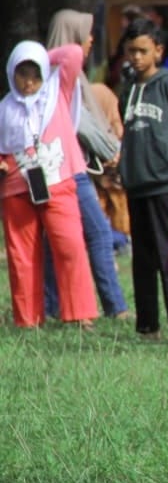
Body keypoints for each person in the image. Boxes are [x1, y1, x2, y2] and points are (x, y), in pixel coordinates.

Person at [0, 41, 98, 327]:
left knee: (70, 247)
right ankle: (28, 319)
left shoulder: (57, 93)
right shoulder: (4, 108)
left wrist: (42, 54)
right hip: (15, 189)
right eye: (22, 74)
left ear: (45, 73)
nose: (29, 82)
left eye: (35, 74)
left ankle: (79, 314)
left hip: (57, 182)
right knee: (22, 255)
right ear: (11, 74)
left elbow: (74, 54)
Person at [44, 9, 130, 320]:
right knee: (99, 233)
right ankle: (115, 307)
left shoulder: (58, 76)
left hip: (63, 167)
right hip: (68, 169)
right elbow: (78, 126)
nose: (90, 39)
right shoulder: (59, 76)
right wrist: (109, 149)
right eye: (85, 32)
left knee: (54, 241)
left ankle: (51, 307)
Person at [118, 18, 168, 343]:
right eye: (131, 51)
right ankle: (148, 326)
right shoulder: (129, 88)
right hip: (136, 184)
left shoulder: (167, 83)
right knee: (143, 258)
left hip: (165, 183)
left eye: (142, 50)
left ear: (158, 51)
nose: (136, 57)